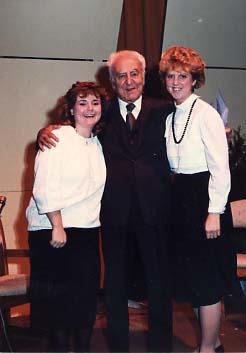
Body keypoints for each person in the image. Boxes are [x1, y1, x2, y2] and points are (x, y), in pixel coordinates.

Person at [38, 50, 173, 352]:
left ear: (143, 76)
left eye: (134, 74)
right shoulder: (102, 110)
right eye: (121, 75)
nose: (129, 81)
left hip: (156, 213)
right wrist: (43, 132)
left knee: (159, 285)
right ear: (112, 81)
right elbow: (70, 124)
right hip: (114, 213)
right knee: (114, 287)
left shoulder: (165, 110)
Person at [159, 46, 241, 353]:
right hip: (180, 199)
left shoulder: (206, 114)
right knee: (192, 279)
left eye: (183, 76)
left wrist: (214, 212)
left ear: (195, 80)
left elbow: (221, 169)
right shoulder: (171, 116)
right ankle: (213, 343)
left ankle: (207, 348)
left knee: (206, 280)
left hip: (204, 200)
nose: (176, 82)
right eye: (170, 76)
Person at [26, 81, 106, 352]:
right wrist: (57, 226)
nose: (89, 108)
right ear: (71, 109)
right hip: (54, 230)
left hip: (85, 231)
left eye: (95, 103)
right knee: (58, 312)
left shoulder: (96, 142)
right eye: (82, 102)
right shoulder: (57, 137)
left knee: (84, 306)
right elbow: (44, 187)